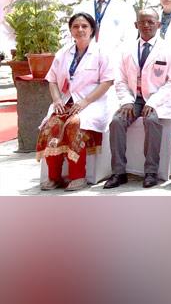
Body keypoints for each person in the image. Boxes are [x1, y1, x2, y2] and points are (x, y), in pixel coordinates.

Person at [37, 13, 116, 191]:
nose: (80, 30)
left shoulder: (102, 52)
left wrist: (85, 102)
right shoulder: (63, 53)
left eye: (84, 26)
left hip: (92, 103)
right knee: (52, 125)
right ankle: (54, 177)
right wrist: (57, 99)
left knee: (74, 124)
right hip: (66, 102)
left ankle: (78, 176)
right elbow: (52, 80)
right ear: (71, 30)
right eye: (76, 26)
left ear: (92, 30)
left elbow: (108, 81)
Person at [104, 9, 171, 189]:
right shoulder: (125, 49)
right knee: (116, 122)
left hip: (157, 98)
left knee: (152, 121)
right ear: (135, 25)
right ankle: (118, 172)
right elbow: (120, 79)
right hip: (133, 98)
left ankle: (151, 172)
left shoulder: (170, 49)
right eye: (142, 22)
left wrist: (153, 102)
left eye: (151, 22)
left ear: (159, 25)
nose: (146, 25)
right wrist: (126, 101)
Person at [71, 0, 136, 49]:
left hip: (114, 57)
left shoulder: (125, 8)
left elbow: (130, 37)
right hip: (85, 56)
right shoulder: (81, 8)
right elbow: (72, 33)